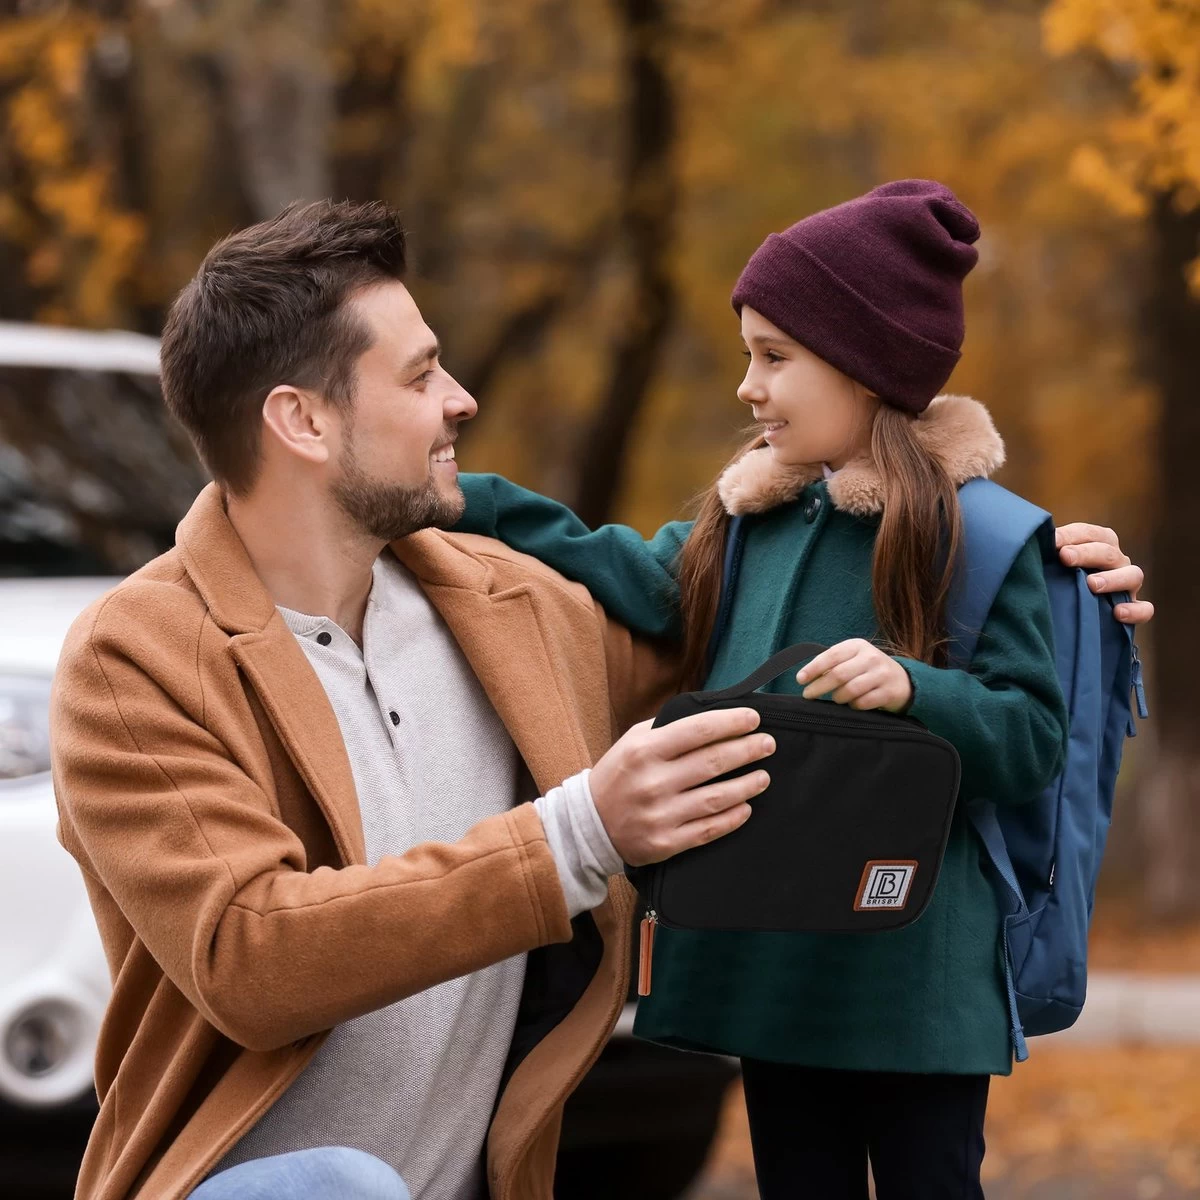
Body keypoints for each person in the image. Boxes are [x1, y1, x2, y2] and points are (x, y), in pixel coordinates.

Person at [48, 199, 781, 1200]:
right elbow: (251, 958)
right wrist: (573, 836)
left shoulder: (515, 610)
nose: (461, 399)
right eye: (420, 373)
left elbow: (740, 624)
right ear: (302, 420)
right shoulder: (135, 661)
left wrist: (1009, 557)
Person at [451, 180, 1154, 1199]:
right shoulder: (746, 529)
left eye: (775, 357)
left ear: (868, 368)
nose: (749, 386)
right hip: (776, 962)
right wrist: (456, 498)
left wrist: (914, 690)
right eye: (748, 354)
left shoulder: (984, 537)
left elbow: (1030, 739)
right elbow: (618, 565)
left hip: (919, 980)